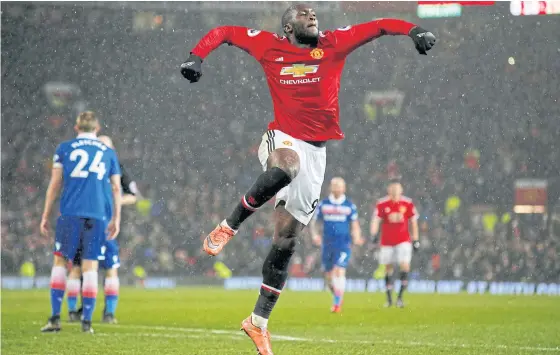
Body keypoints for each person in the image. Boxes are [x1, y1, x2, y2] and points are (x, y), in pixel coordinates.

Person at [181, 4, 435, 353]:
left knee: (286, 241)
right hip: (283, 137)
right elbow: (224, 31)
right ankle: (230, 224)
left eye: (313, 12)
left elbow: (378, 26)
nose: (311, 14)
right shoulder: (269, 46)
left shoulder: (334, 43)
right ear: (287, 27)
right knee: (286, 165)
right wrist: (197, 56)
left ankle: (257, 322)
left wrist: (413, 30)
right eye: (302, 14)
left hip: (317, 153)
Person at [40, 112, 122, 333]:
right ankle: (87, 322)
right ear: (97, 128)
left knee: (61, 263)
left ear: (77, 127)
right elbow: (116, 188)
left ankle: (55, 318)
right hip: (97, 215)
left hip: (71, 213)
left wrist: (45, 214)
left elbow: (55, 184)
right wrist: (117, 218)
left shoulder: (64, 148)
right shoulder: (108, 152)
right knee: (90, 266)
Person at [67, 135, 139, 324]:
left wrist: (116, 202)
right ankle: (77, 309)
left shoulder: (118, 169)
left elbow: (133, 196)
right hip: (86, 223)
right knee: (80, 268)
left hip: (108, 225)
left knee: (108, 268)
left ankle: (108, 312)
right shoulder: (91, 169)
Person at [308, 177, 363, 313]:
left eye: (339, 185)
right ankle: (337, 295)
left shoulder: (349, 205)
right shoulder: (323, 204)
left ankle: (337, 304)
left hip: (343, 244)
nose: (337, 187)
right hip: (327, 244)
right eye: (334, 185)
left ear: (344, 188)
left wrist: (357, 237)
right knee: (328, 277)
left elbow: (355, 224)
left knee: (339, 270)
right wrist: (315, 235)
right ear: (330, 187)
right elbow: (314, 223)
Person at [370, 179, 420, 308]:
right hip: (386, 242)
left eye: (397, 189)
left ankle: (400, 297)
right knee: (388, 268)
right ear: (389, 190)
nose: (394, 191)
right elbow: (376, 220)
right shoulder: (382, 203)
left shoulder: (407, 203)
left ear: (401, 190)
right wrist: (374, 235)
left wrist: (415, 240)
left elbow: (414, 222)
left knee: (404, 265)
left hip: (403, 240)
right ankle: (389, 299)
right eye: (392, 189)